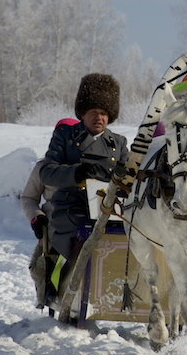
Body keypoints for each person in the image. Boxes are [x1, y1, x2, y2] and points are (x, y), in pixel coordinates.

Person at [39, 73, 129, 282]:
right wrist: (76, 173)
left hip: (110, 210)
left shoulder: (119, 142)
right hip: (71, 209)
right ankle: (60, 285)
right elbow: (47, 172)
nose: (100, 118)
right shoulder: (65, 136)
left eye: (104, 113)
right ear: (83, 113)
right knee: (79, 242)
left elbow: (129, 177)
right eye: (94, 112)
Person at [21, 117, 79, 308]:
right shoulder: (43, 167)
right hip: (54, 223)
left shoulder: (89, 165)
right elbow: (29, 197)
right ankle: (51, 292)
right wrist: (36, 217)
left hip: (87, 219)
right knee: (41, 265)